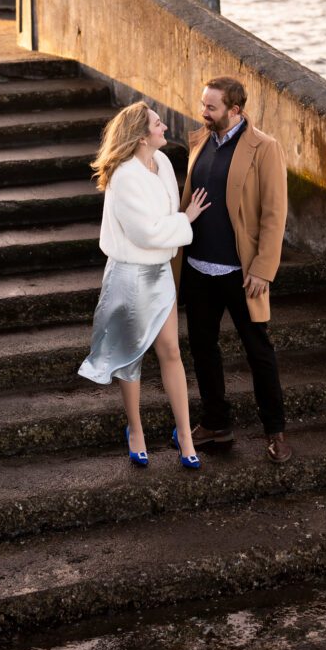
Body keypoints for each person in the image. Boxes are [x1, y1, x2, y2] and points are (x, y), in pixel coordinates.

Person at [78, 100, 210, 469]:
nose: (165, 127)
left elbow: (160, 227)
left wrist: (178, 223)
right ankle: (135, 430)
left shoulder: (163, 163)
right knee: (131, 357)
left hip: (160, 273)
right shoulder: (124, 177)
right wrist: (186, 220)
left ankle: (183, 434)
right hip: (131, 275)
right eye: (157, 124)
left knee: (171, 351)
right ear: (140, 137)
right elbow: (146, 232)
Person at [175, 76, 292, 463]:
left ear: (235, 110)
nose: (203, 112)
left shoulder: (265, 148)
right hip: (197, 267)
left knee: (259, 352)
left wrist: (263, 269)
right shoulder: (200, 140)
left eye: (211, 107)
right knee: (203, 349)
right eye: (203, 104)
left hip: (241, 274)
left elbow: (275, 214)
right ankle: (215, 422)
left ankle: (275, 431)